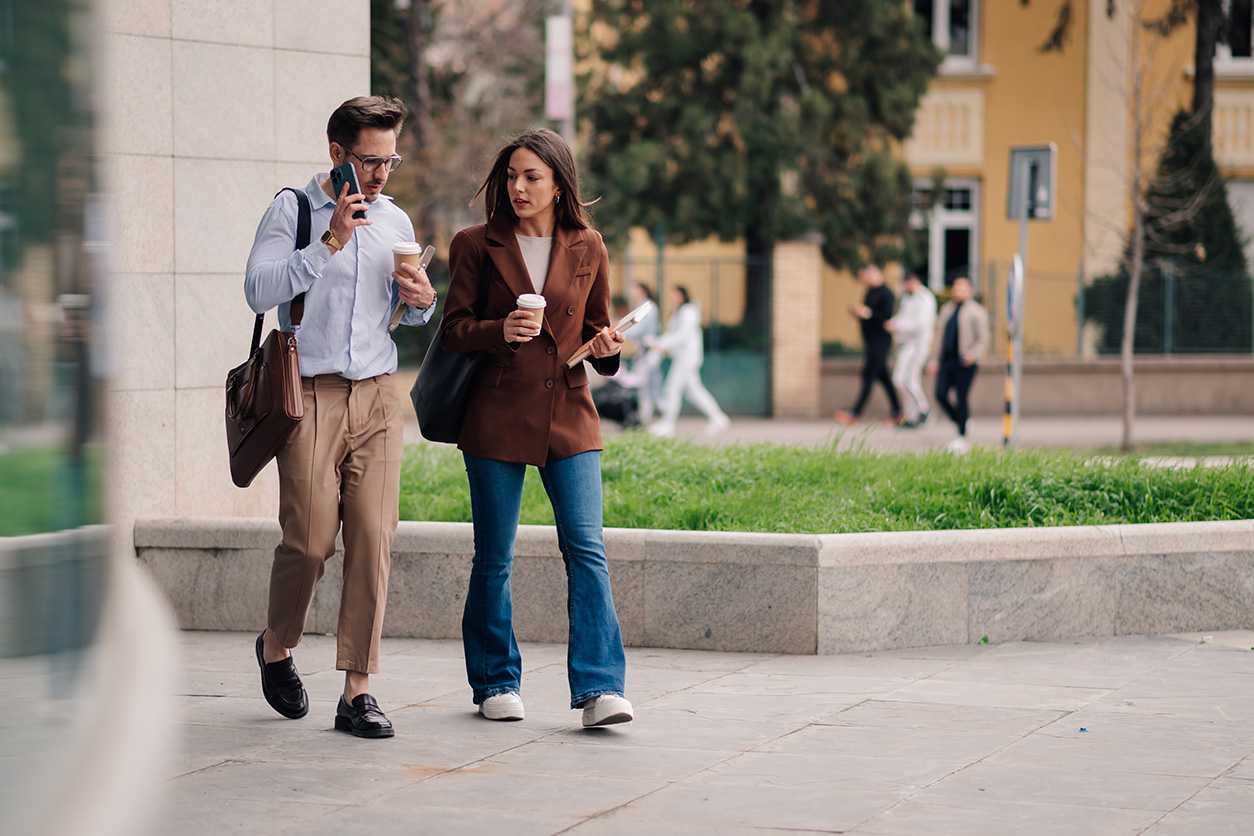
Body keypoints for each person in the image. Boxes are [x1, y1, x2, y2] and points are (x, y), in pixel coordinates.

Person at [244, 96, 436, 739]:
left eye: (391, 159)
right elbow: (258, 289)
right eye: (370, 160)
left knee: (374, 539)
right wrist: (330, 242)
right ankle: (276, 645)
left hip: (379, 394)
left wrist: (419, 303)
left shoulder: (394, 219)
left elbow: (399, 311)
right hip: (309, 394)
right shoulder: (293, 210)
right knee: (309, 539)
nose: (381, 175)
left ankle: (358, 691)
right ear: (337, 154)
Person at [440, 129, 634, 728]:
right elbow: (453, 331)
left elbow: (597, 338)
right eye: (511, 176)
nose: (518, 187)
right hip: (496, 413)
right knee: (494, 557)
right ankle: (496, 680)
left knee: (587, 549)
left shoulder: (588, 246)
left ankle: (600, 689)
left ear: (558, 185)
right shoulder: (475, 243)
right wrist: (499, 331)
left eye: (532, 177)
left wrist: (608, 347)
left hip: (570, 412)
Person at [646, 286, 730, 437]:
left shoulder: (688, 312)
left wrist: (662, 343)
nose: (673, 298)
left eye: (675, 295)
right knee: (693, 391)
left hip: (686, 358)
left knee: (671, 389)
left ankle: (667, 424)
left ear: (682, 295)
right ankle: (718, 417)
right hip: (683, 357)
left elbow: (682, 335)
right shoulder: (680, 312)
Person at [927, 276, 990, 453]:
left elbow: (983, 340)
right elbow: (939, 337)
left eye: (963, 288)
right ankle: (962, 420)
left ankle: (961, 435)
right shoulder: (947, 310)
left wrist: (973, 354)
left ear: (970, 291)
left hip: (965, 362)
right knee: (940, 394)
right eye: (956, 288)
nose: (959, 292)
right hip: (947, 360)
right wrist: (934, 359)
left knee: (961, 397)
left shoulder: (977, 312)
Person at [834, 264, 903, 426]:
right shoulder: (870, 291)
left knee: (868, 375)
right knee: (883, 377)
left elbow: (886, 316)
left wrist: (868, 313)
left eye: (863, 277)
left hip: (880, 342)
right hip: (871, 341)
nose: (862, 281)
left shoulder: (886, 293)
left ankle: (855, 413)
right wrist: (858, 313)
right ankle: (897, 412)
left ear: (872, 273)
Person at [886, 271, 937, 428]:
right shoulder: (908, 298)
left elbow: (920, 325)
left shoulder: (924, 299)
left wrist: (897, 326)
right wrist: (894, 323)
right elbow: (902, 317)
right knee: (905, 380)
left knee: (904, 379)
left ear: (912, 282)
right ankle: (911, 416)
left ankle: (924, 410)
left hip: (916, 345)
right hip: (905, 345)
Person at [624, 282, 663, 421]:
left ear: (642, 291)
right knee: (643, 385)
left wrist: (621, 332)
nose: (631, 293)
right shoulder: (639, 306)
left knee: (647, 387)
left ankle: (648, 418)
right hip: (642, 353)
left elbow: (639, 328)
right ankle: (644, 418)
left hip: (649, 352)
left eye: (633, 289)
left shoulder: (648, 307)